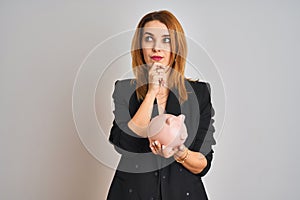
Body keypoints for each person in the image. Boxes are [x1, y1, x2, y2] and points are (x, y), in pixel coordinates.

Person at [107, 10, 216, 200]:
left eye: (166, 40)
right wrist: (151, 92)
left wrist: (179, 152)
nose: (157, 48)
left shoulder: (199, 94)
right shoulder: (124, 90)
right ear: (140, 47)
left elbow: (203, 162)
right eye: (149, 39)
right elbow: (124, 144)